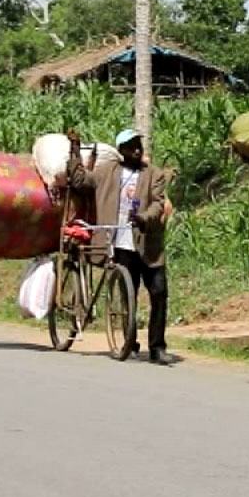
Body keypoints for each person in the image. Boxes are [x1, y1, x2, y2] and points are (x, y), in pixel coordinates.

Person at [68, 129, 175, 365]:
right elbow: (79, 181)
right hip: (120, 244)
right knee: (129, 295)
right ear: (121, 151)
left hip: (148, 245)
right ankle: (130, 341)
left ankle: (157, 347)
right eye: (131, 146)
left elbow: (158, 204)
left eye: (139, 145)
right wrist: (74, 150)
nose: (137, 150)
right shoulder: (106, 172)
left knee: (159, 293)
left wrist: (144, 218)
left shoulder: (154, 175)